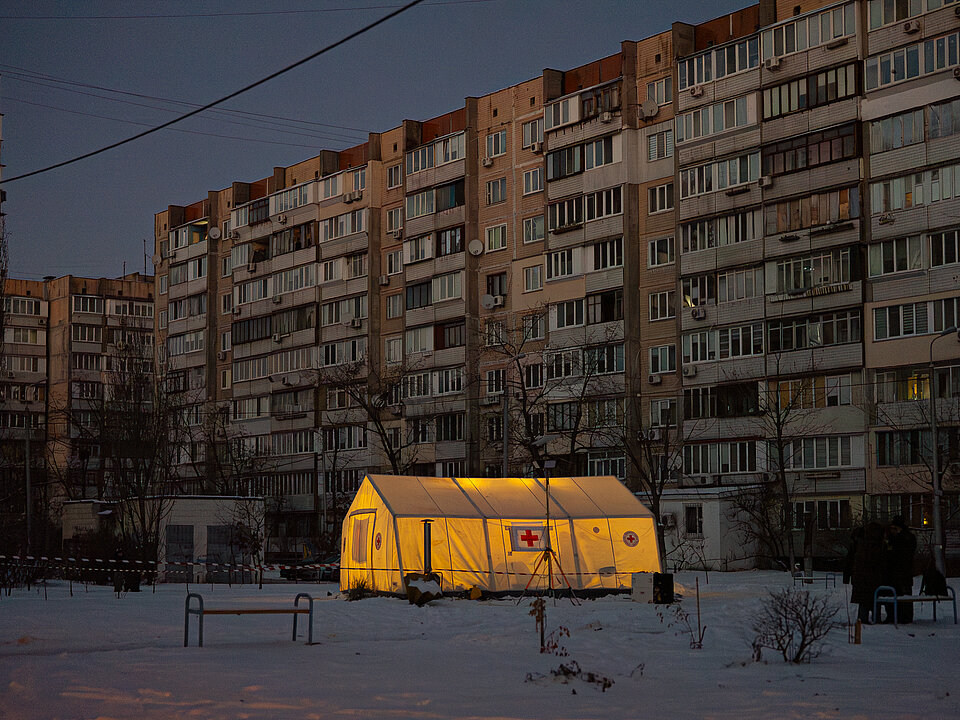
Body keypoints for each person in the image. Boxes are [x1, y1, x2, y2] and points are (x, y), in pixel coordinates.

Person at [851, 522, 885, 624]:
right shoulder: (875, 545)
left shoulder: (862, 544)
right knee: (874, 600)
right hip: (872, 579)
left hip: (862, 579)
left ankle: (863, 619)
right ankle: (873, 619)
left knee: (864, 602)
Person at [884, 516, 916, 623]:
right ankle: (905, 617)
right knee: (904, 596)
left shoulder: (899, 539)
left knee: (898, 595)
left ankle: (898, 617)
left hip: (898, 573)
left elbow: (895, 556)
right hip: (904, 573)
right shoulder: (909, 537)